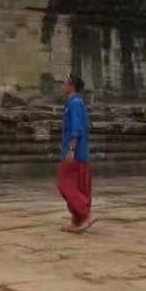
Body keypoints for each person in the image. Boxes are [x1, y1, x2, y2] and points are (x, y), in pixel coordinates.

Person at [57, 73, 95, 233]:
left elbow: (77, 128)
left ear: (71, 86)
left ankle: (85, 215)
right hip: (78, 151)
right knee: (78, 186)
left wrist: (71, 149)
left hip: (75, 151)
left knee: (65, 184)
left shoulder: (75, 102)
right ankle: (77, 220)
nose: (62, 86)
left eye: (64, 83)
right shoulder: (73, 102)